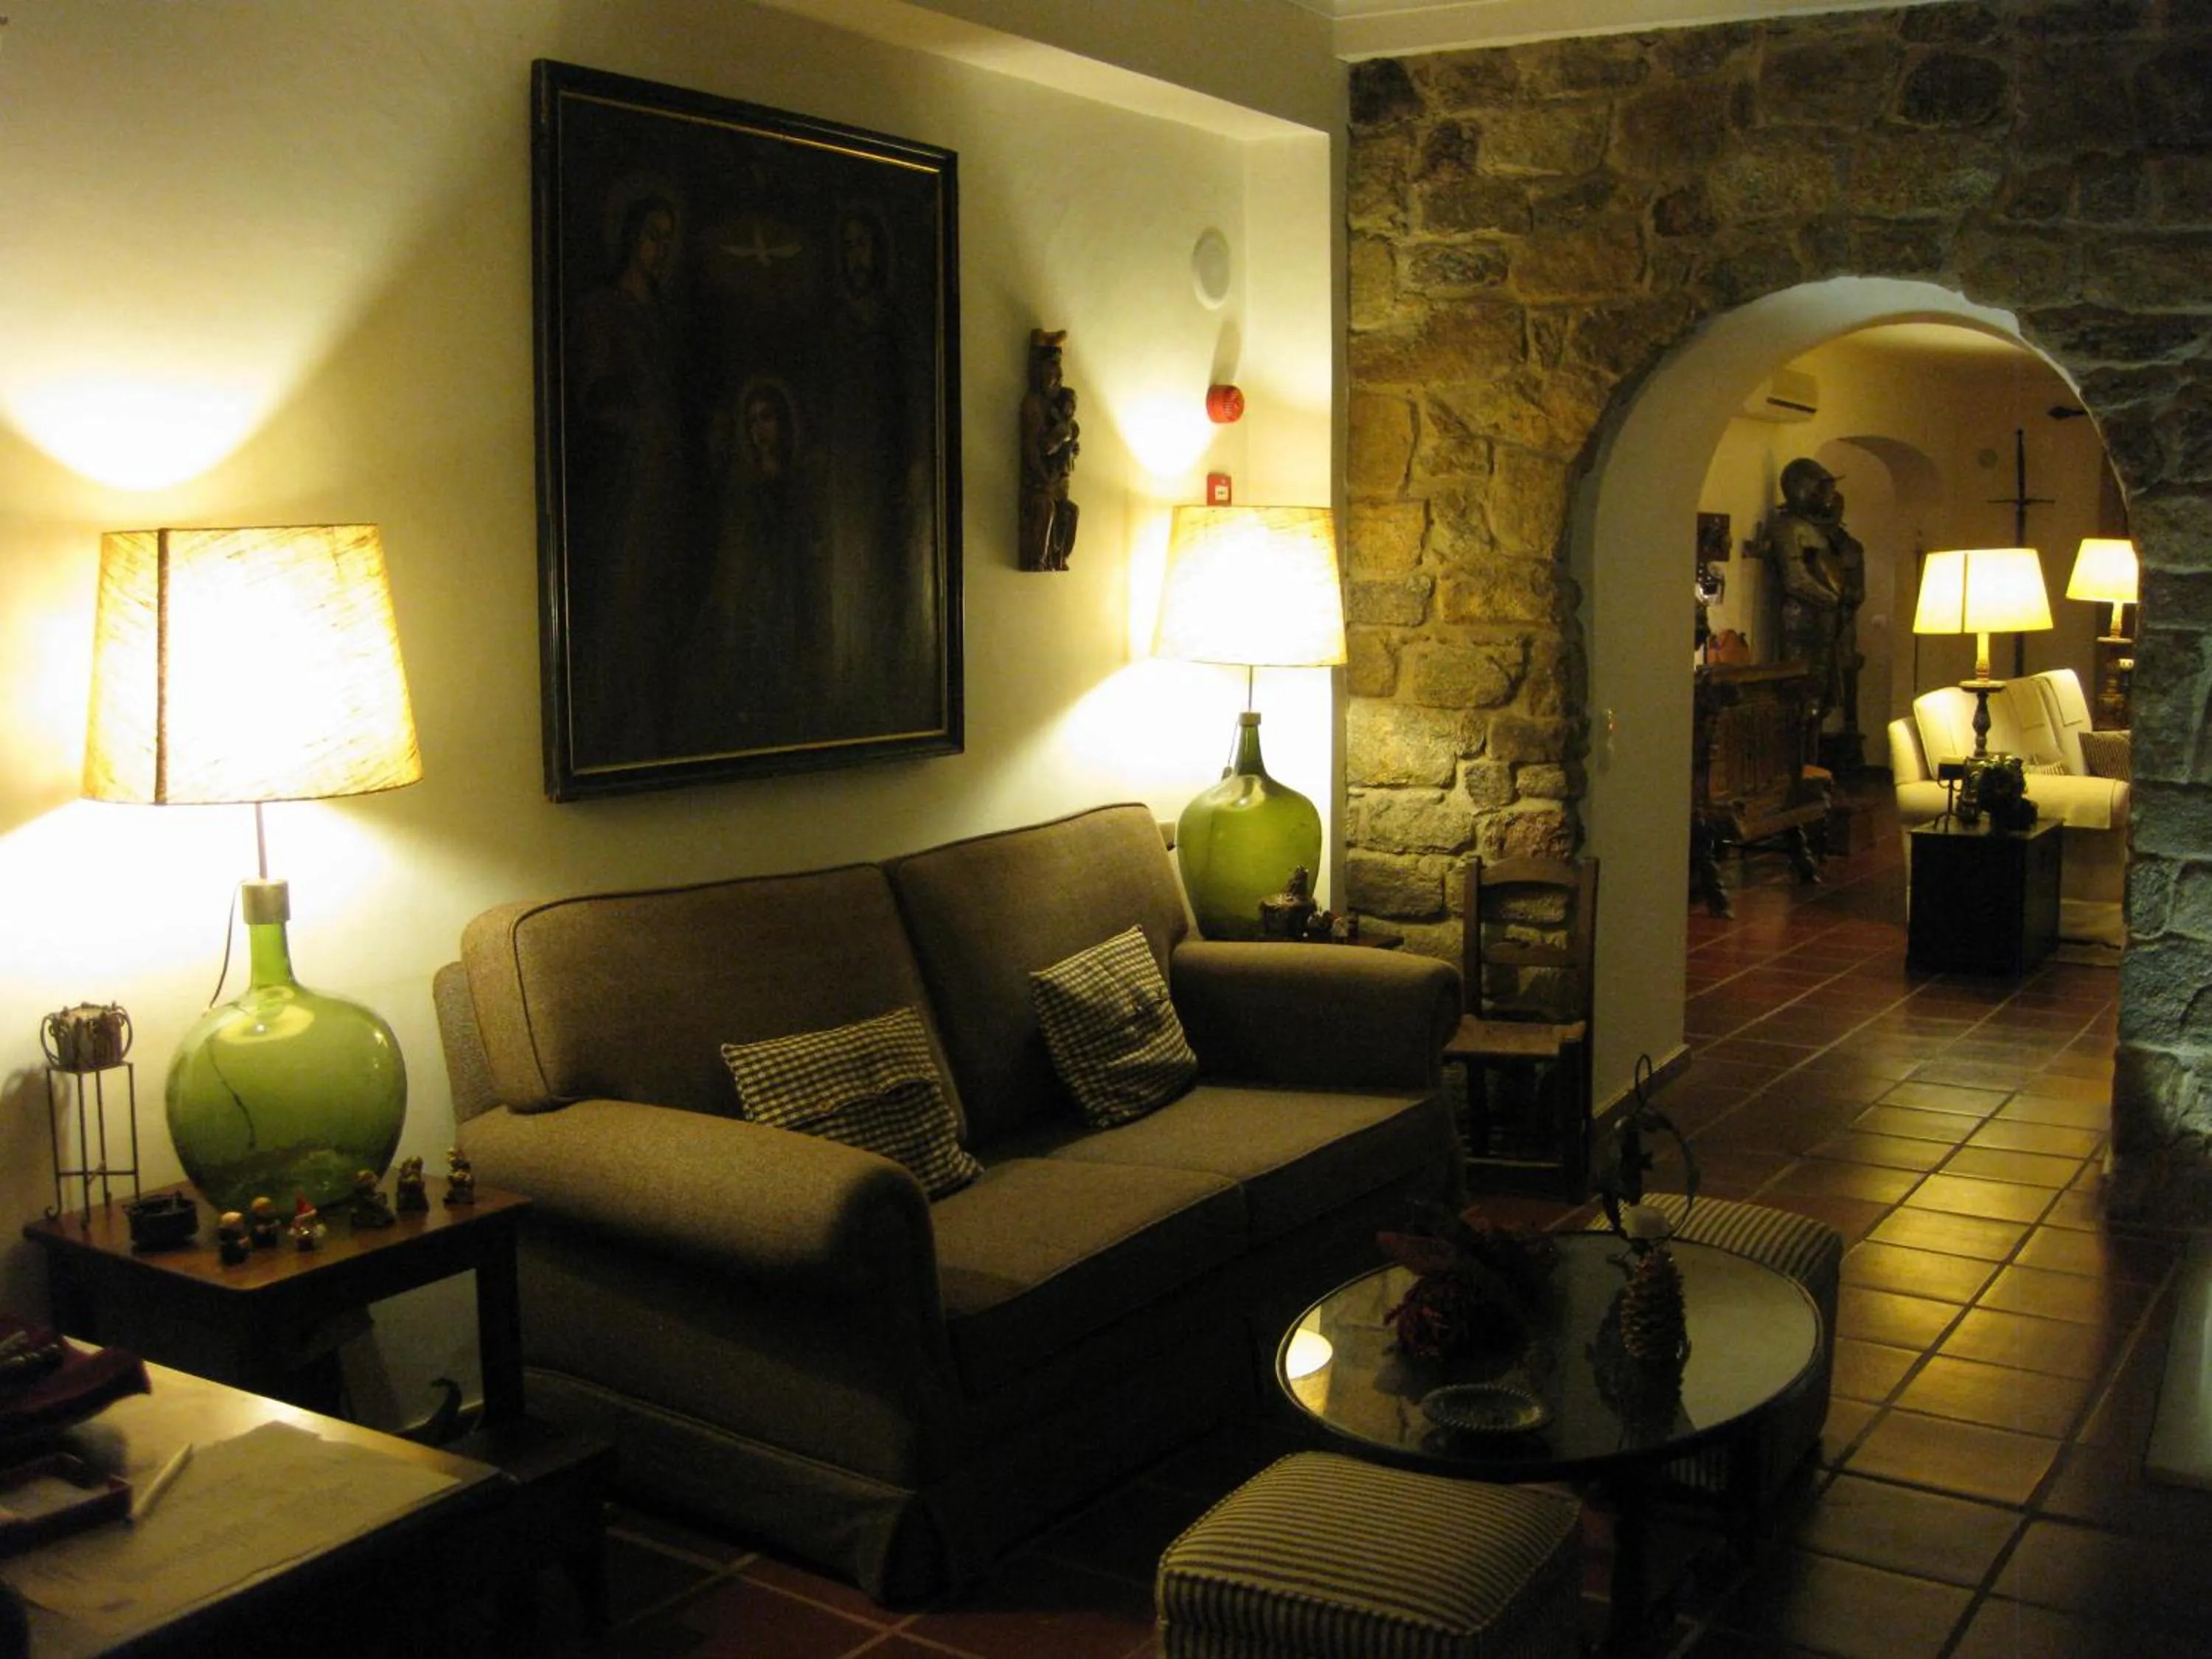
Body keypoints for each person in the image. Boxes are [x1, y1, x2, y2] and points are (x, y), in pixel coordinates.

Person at [1767, 457, 1864, 731]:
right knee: (1801, 694)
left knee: (1822, 695)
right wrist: (1835, 599)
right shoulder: (1787, 527)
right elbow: (1795, 580)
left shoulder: (1817, 531)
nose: (1828, 497)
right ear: (1804, 489)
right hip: (1801, 621)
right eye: (1822, 488)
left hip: (1825, 621)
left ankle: (1811, 754)